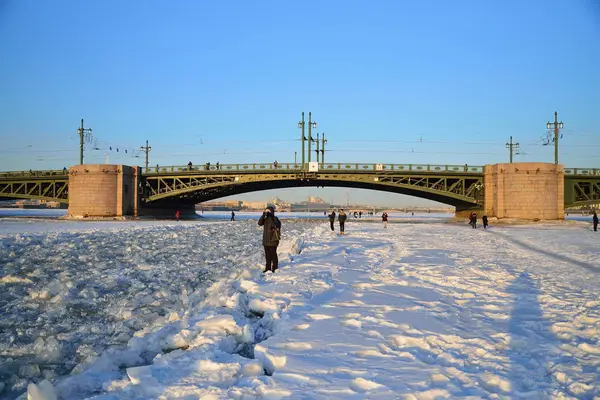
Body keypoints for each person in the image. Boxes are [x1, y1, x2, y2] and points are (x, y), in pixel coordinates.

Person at [258, 206, 281, 272]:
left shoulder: (275, 219)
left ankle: (275, 267)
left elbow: (277, 225)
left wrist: (271, 216)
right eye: (266, 211)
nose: (267, 212)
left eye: (268, 211)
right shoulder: (265, 219)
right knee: (267, 256)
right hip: (266, 240)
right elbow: (259, 223)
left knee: (273, 255)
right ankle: (268, 268)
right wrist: (263, 215)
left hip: (273, 240)